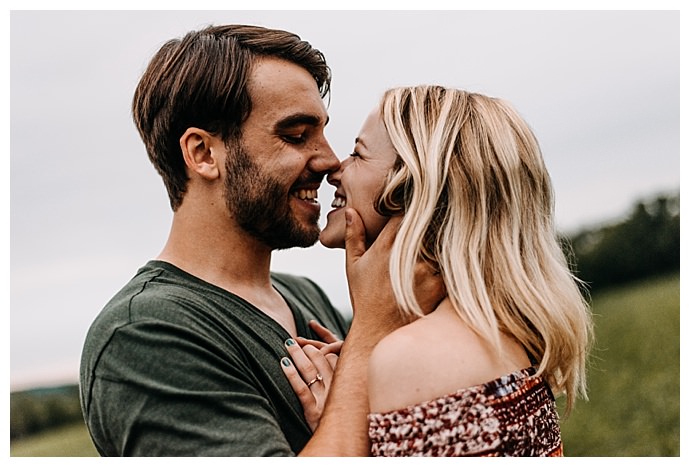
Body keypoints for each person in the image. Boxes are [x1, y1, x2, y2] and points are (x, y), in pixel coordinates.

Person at [79, 24, 441, 457]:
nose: (329, 160)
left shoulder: (304, 296)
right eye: (295, 135)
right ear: (203, 153)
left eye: (323, 131)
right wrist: (368, 342)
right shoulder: (142, 335)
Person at [306, 85, 593, 456]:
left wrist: (343, 424)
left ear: (411, 191)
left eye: (357, 154)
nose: (335, 169)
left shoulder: (416, 360)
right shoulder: (506, 331)